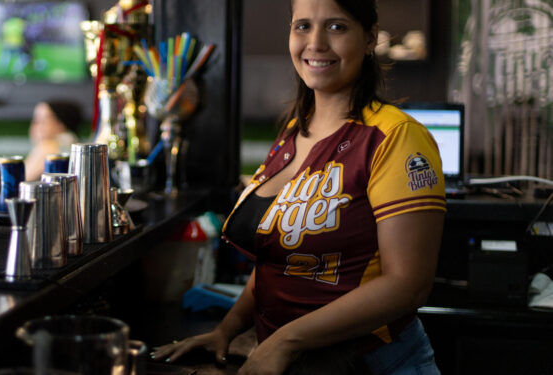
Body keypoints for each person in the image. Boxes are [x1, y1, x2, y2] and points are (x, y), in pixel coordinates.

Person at [151, 0, 446, 374]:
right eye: (303, 26)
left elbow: (409, 285)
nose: (316, 42)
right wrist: (226, 329)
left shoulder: (397, 137)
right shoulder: (293, 133)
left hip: (374, 361)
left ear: (370, 38)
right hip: (297, 360)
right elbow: (280, 257)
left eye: (336, 27)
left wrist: (285, 340)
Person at [24, 100, 81, 181]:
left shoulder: (48, 147)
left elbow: (22, 181)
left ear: (60, 124)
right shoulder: (73, 144)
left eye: (41, 120)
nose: (34, 125)